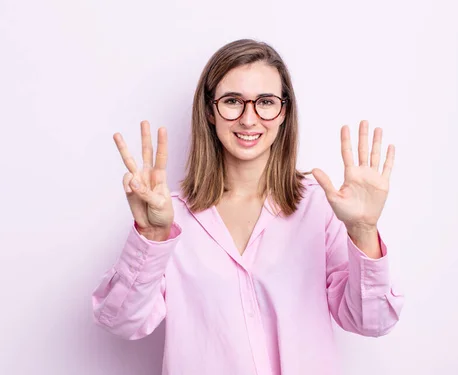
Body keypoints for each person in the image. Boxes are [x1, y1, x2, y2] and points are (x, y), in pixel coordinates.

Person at [92, 39, 404, 375]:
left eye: (265, 102)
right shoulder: (169, 217)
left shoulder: (320, 207)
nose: (248, 118)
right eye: (232, 102)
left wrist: (364, 231)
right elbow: (121, 321)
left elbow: (371, 322)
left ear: (284, 111)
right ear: (210, 111)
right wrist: (152, 236)